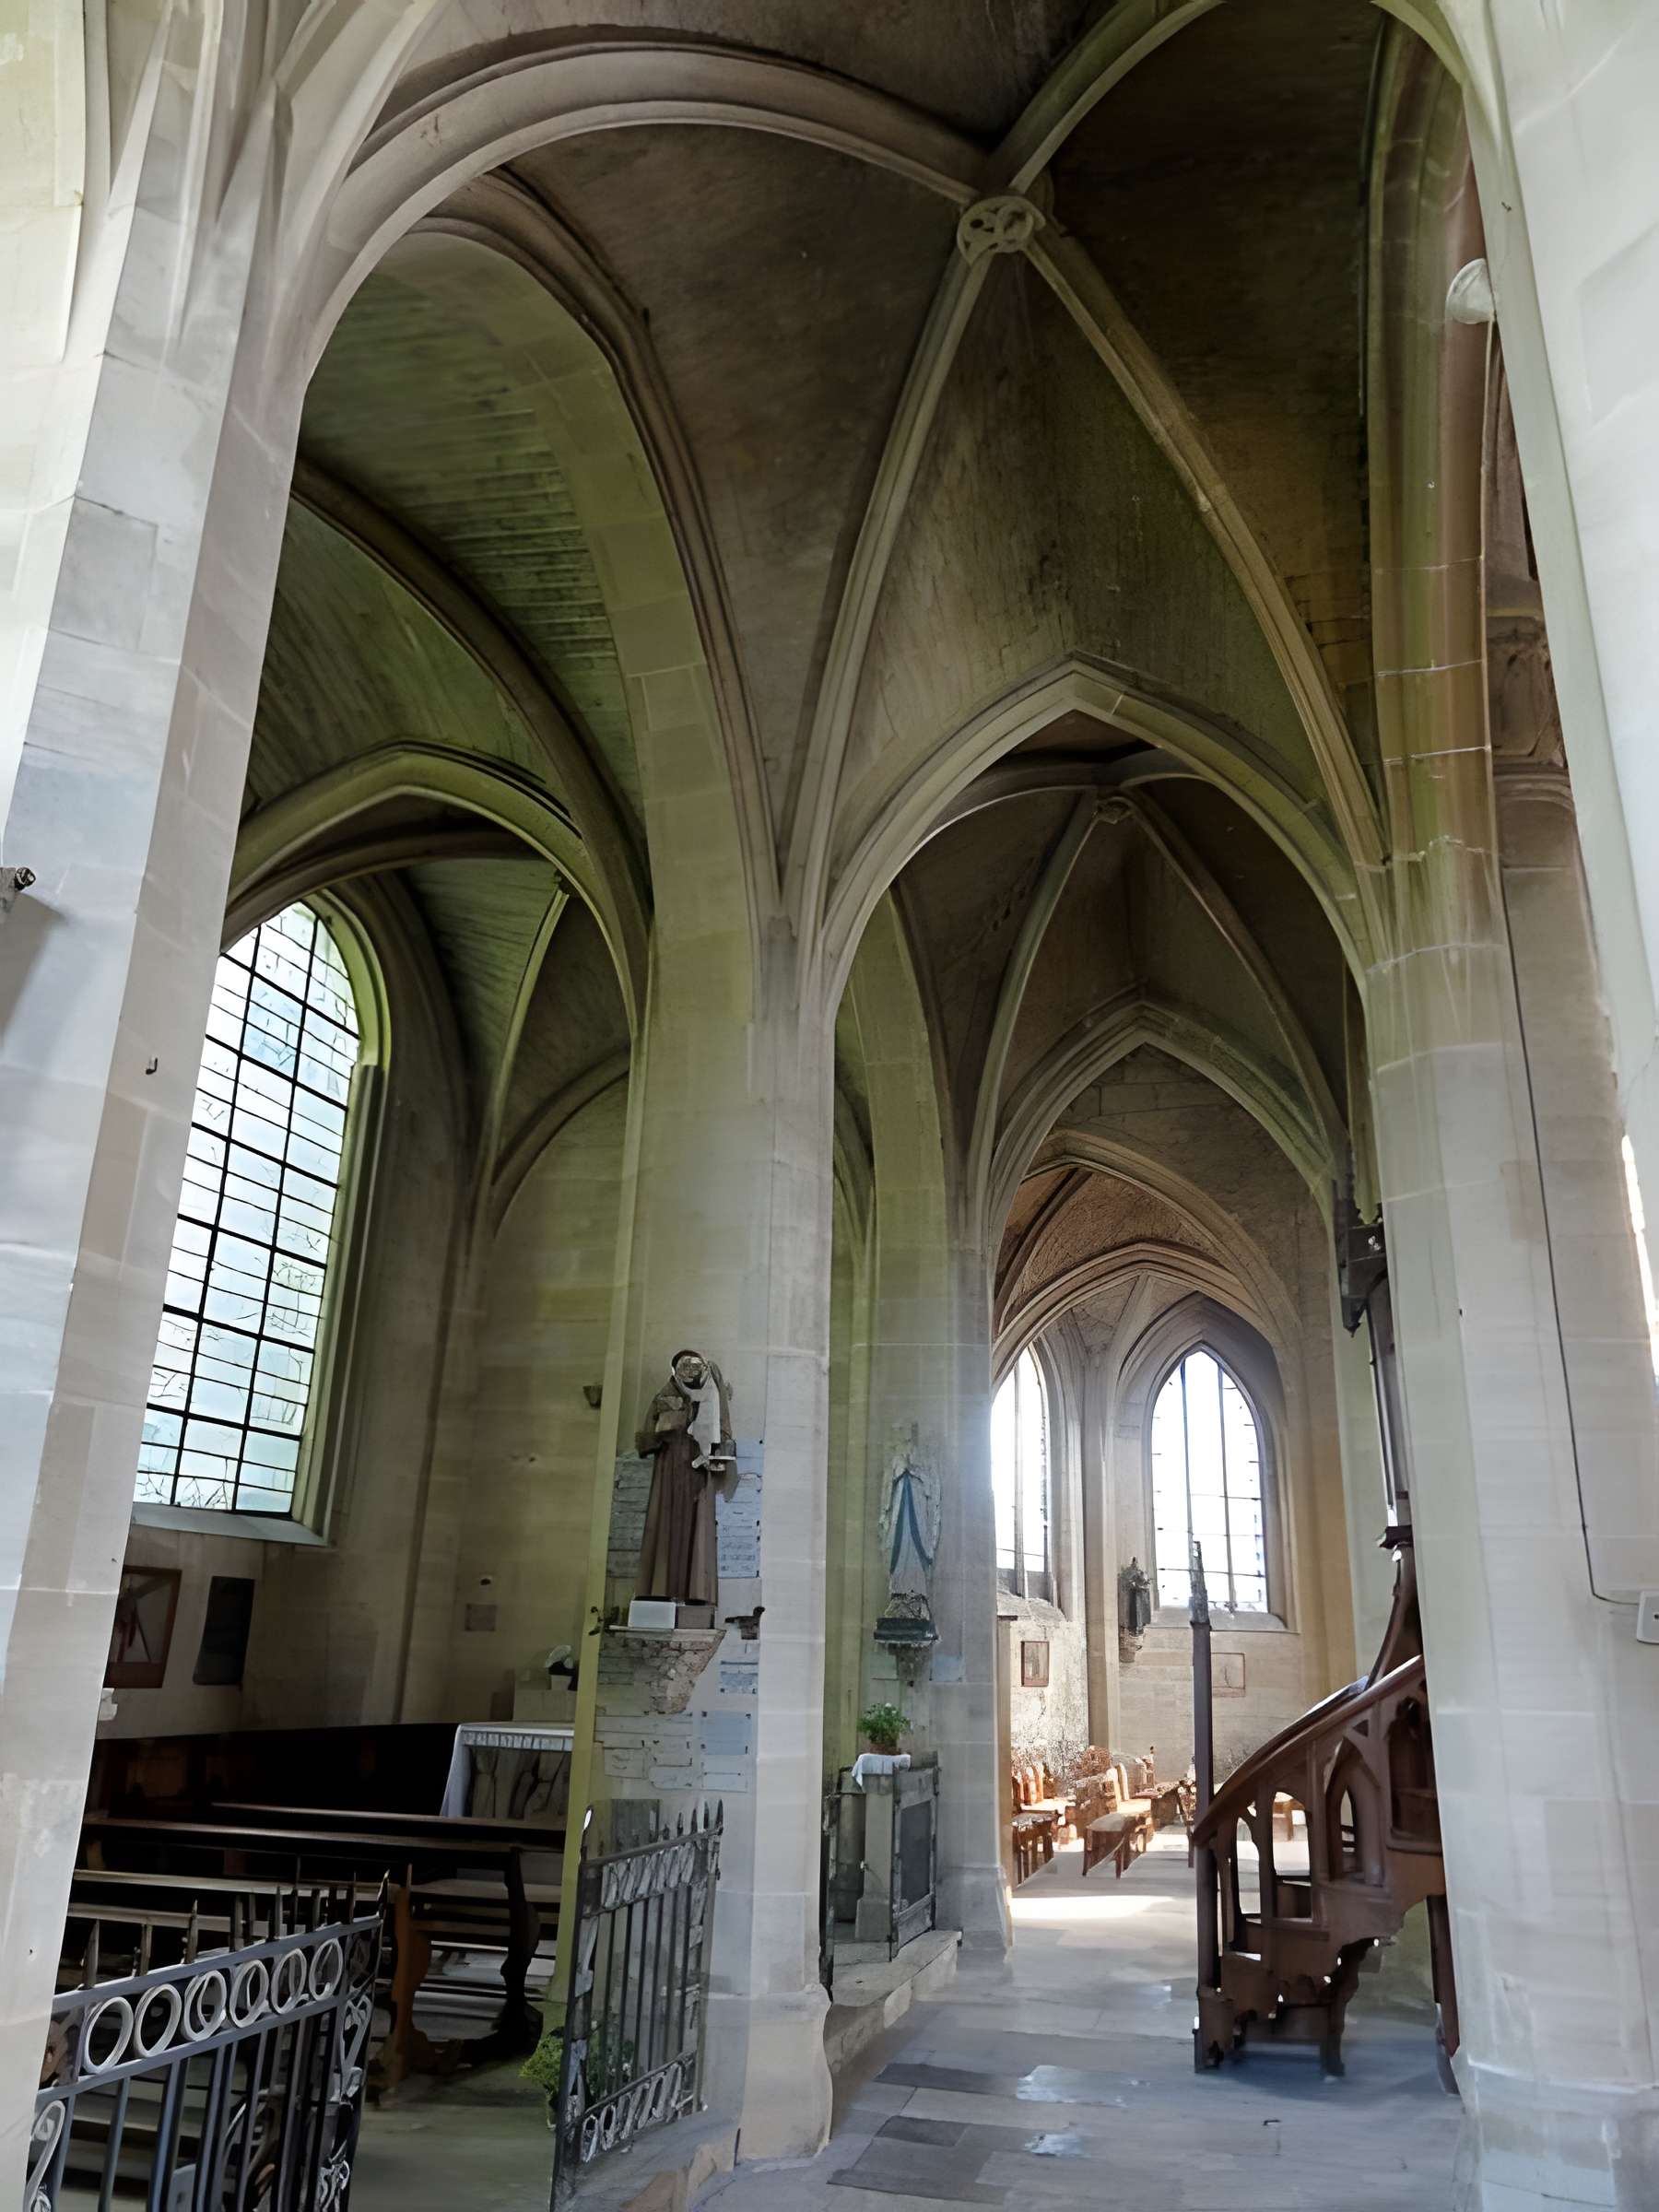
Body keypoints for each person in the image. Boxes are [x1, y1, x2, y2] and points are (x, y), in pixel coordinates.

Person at [635, 1349, 734, 1606]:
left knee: (698, 1527)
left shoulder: (712, 1393)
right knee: (665, 1523)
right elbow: (651, 1433)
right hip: (670, 1467)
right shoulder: (665, 1394)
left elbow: (721, 1430)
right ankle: (657, 1590)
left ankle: (697, 1592)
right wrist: (677, 1417)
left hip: (699, 1472)